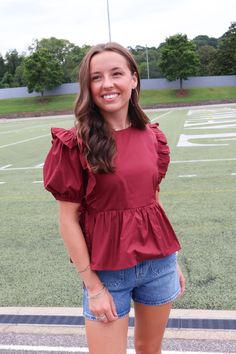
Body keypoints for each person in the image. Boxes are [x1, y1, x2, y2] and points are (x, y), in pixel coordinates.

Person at [43, 42, 185, 354]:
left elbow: (153, 200)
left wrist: (170, 260)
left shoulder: (153, 137)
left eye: (116, 73)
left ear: (134, 79)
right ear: (87, 86)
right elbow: (68, 221)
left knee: (150, 349)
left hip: (159, 264)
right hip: (107, 274)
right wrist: (93, 287)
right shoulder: (74, 144)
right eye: (96, 77)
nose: (107, 84)